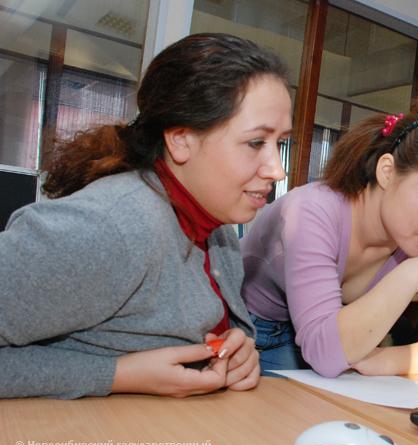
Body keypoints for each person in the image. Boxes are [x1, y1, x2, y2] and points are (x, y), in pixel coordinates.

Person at [0, 33, 292, 399]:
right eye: (255, 143)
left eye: (280, 143)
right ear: (181, 139)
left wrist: (241, 350)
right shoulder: (111, 228)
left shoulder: (216, 229)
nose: (277, 171)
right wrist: (115, 374)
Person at [240, 98, 418, 377]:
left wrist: (380, 361)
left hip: (325, 338)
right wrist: (411, 274)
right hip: (243, 329)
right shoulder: (312, 211)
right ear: (387, 172)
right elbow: (325, 353)